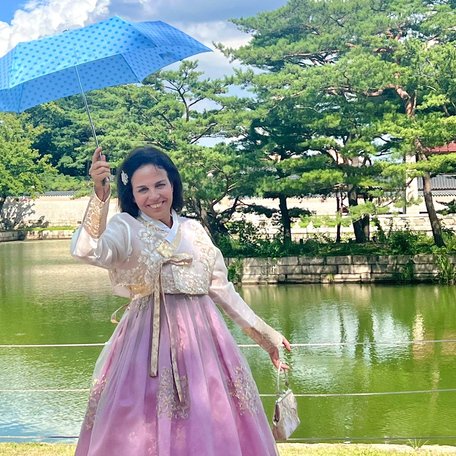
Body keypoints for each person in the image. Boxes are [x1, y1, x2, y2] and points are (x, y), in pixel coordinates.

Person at [70, 146, 292, 456]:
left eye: (160, 184)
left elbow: (223, 291)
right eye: (142, 189)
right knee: (142, 426)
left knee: (210, 417)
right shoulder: (124, 227)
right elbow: (87, 251)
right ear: (131, 195)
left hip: (204, 345)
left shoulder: (195, 230)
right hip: (145, 345)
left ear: (173, 184)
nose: (154, 196)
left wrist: (265, 335)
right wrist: (100, 196)